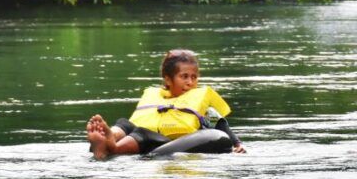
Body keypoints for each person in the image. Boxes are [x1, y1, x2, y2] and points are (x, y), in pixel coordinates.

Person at [87, 49, 246, 160]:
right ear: (168, 80)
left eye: (194, 77)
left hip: (169, 142)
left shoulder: (203, 107)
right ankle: (109, 137)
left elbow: (222, 127)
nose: (190, 82)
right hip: (143, 139)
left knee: (142, 133)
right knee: (124, 123)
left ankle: (112, 148)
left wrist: (237, 144)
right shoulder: (156, 98)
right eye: (184, 77)